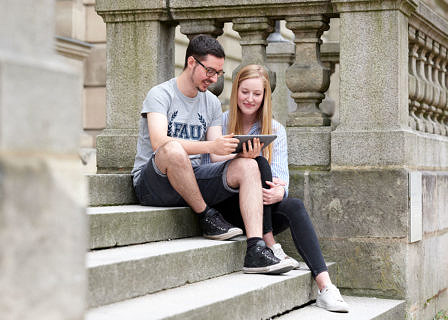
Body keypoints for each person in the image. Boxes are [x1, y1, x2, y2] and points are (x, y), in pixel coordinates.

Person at [131, 35, 293, 275]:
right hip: (153, 182)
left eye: (218, 73)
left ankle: (256, 249)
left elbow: (217, 156)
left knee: (249, 167)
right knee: (173, 149)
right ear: (191, 63)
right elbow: (159, 142)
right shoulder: (160, 94)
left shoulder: (212, 103)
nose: (214, 79)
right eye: (209, 71)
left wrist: (243, 152)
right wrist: (210, 147)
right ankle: (207, 215)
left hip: (192, 179)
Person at [202, 64, 349, 313]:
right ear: (236, 90)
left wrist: (280, 191)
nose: (250, 99)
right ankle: (269, 244)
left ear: (265, 96)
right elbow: (207, 170)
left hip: (261, 208)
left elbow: (282, 178)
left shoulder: (276, 129)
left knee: (294, 205)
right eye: (244, 92)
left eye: (256, 94)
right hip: (227, 207)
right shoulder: (221, 122)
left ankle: (325, 287)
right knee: (256, 161)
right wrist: (241, 162)